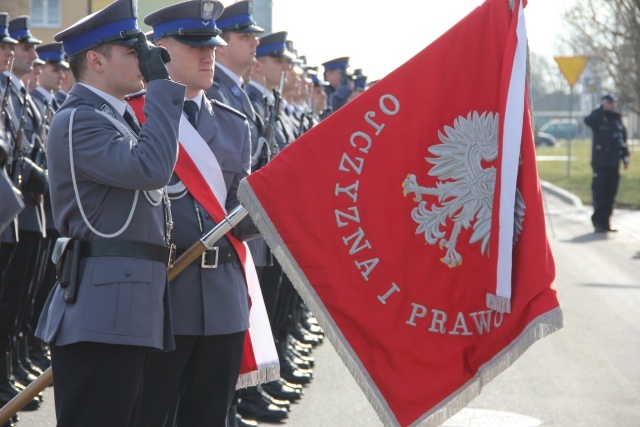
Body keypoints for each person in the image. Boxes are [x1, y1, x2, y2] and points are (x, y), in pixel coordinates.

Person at [34, 0, 185, 425]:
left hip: (128, 306)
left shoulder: (115, 118)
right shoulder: (79, 119)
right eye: (132, 51)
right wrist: (162, 87)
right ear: (96, 61)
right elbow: (151, 170)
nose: (145, 60)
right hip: (103, 312)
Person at [134, 1, 260, 426]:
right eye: (194, 46)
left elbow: (236, 213)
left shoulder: (233, 123)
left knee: (209, 417)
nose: (208, 55)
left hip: (223, 297)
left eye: (212, 45)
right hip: (164, 293)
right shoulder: (136, 117)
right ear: (161, 48)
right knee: (152, 413)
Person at [584, 93, 630, 233]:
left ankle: (607, 222)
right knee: (600, 193)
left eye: (613, 103)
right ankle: (598, 222)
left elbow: (622, 138)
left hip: (613, 162)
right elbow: (588, 121)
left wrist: (625, 156)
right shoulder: (599, 117)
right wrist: (600, 109)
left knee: (610, 194)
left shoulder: (616, 118)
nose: (612, 105)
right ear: (605, 103)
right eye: (610, 103)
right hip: (600, 162)